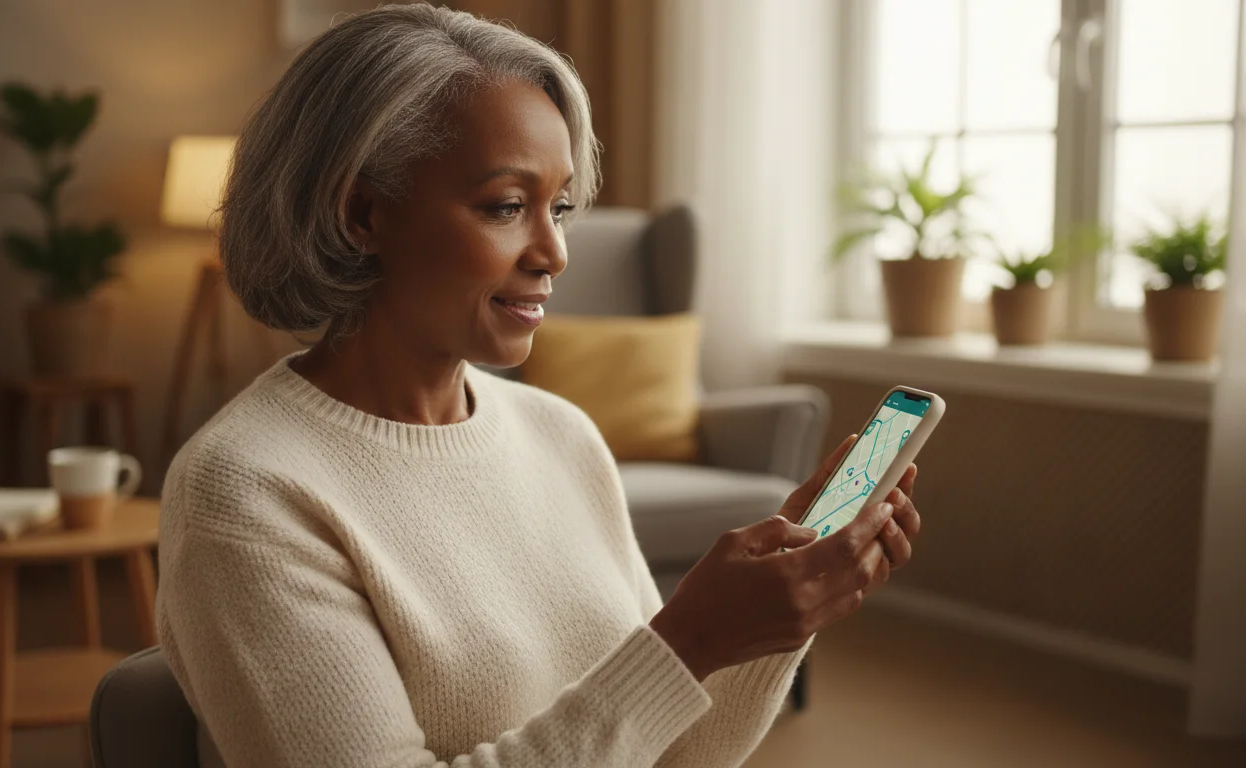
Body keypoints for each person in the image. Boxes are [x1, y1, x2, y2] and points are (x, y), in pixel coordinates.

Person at [155, 5, 922, 767]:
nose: (554, 252)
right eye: (507, 206)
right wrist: (689, 637)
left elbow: (674, 754)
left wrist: (769, 621)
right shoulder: (246, 491)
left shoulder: (563, 435)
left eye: (558, 207)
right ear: (363, 214)